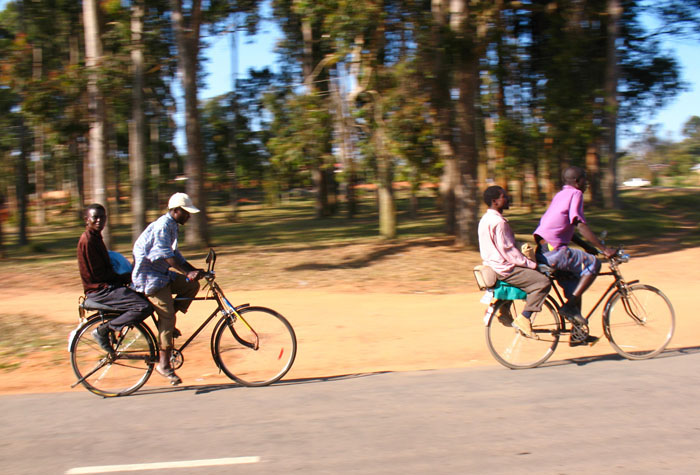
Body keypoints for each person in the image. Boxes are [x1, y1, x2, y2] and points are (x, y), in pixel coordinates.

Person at [132, 192, 205, 386]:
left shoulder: (172, 225)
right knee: (167, 316)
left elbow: (176, 255)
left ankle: (169, 326)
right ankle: (163, 364)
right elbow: (165, 255)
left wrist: (193, 271)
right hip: (150, 278)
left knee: (192, 286)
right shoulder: (163, 226)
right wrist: (186, 271)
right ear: (175, 211)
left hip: (162, 274)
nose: (189, 216)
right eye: (186, 212)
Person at [533, 166, 615, 325]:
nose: (587, 184)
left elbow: (565, 227)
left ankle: (577, 334)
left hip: (543, 251)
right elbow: (579, 224)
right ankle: (569, 307)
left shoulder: (561, 195)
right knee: (594, 263)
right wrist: (605, 249)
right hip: (555, 252)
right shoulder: (576, 194)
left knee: (574, 285)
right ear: (577, 181)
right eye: (585, 179)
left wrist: (587, 246)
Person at [76, 204, 153, 353]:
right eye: (95, 217)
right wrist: (124, 277)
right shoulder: (88, 241)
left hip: (106, 285)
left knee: (142, 295)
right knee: (143, 307)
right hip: (101, 290)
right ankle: (103, 331)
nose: (99, 220)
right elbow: (98, 275)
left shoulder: (95, 237)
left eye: (102, 217)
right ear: (87, 219)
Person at [478, 185, 552, 338]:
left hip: (493, 266)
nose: (508, 198)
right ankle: (524, 318)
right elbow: (509, 253)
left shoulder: (485, 219)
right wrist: (532, 264)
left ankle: (504, 309)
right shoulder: (499, 223)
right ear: (495, 201)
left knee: (527, 279)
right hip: (505, 268)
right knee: (542, 282)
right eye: (504, 196)